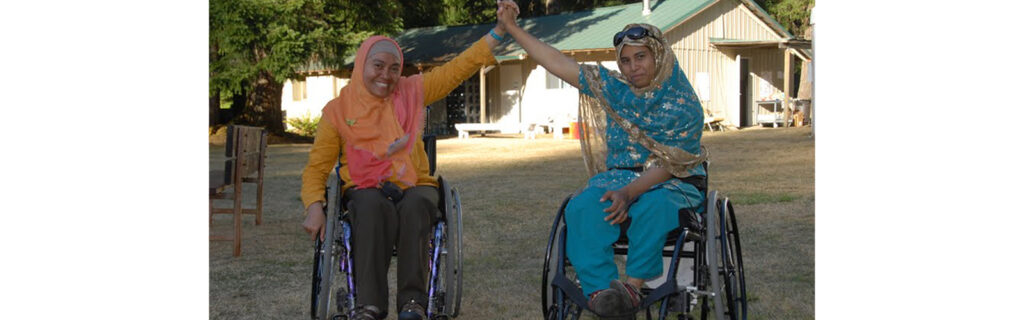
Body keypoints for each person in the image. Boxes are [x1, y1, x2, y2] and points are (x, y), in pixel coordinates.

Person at [497, 1, 707, 318]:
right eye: (625, 60)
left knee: (654, 206)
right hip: (619, 178)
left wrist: (629, 193)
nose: (632, 67)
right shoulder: (614, 89)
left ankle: (632, 290)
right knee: (582, 206)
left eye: (641, 56)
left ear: (659, 54)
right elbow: (556, 62)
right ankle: (601, 293)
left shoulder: (685, 103)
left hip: (674, 182)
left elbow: (672, 165)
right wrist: (512, 27)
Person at [299, 16, 510, 320]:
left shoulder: (413, 91)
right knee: (370, 206)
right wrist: (314, 206)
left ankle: (413, 303)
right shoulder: (337, 111)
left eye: (394, 68)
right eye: (378, 66)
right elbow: (317, 167)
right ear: (361, 64)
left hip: (414, 184)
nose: (386, 75)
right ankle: (369, 305)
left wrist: (500, 31)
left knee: (417, 204)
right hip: (365, 188)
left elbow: (458, 68)